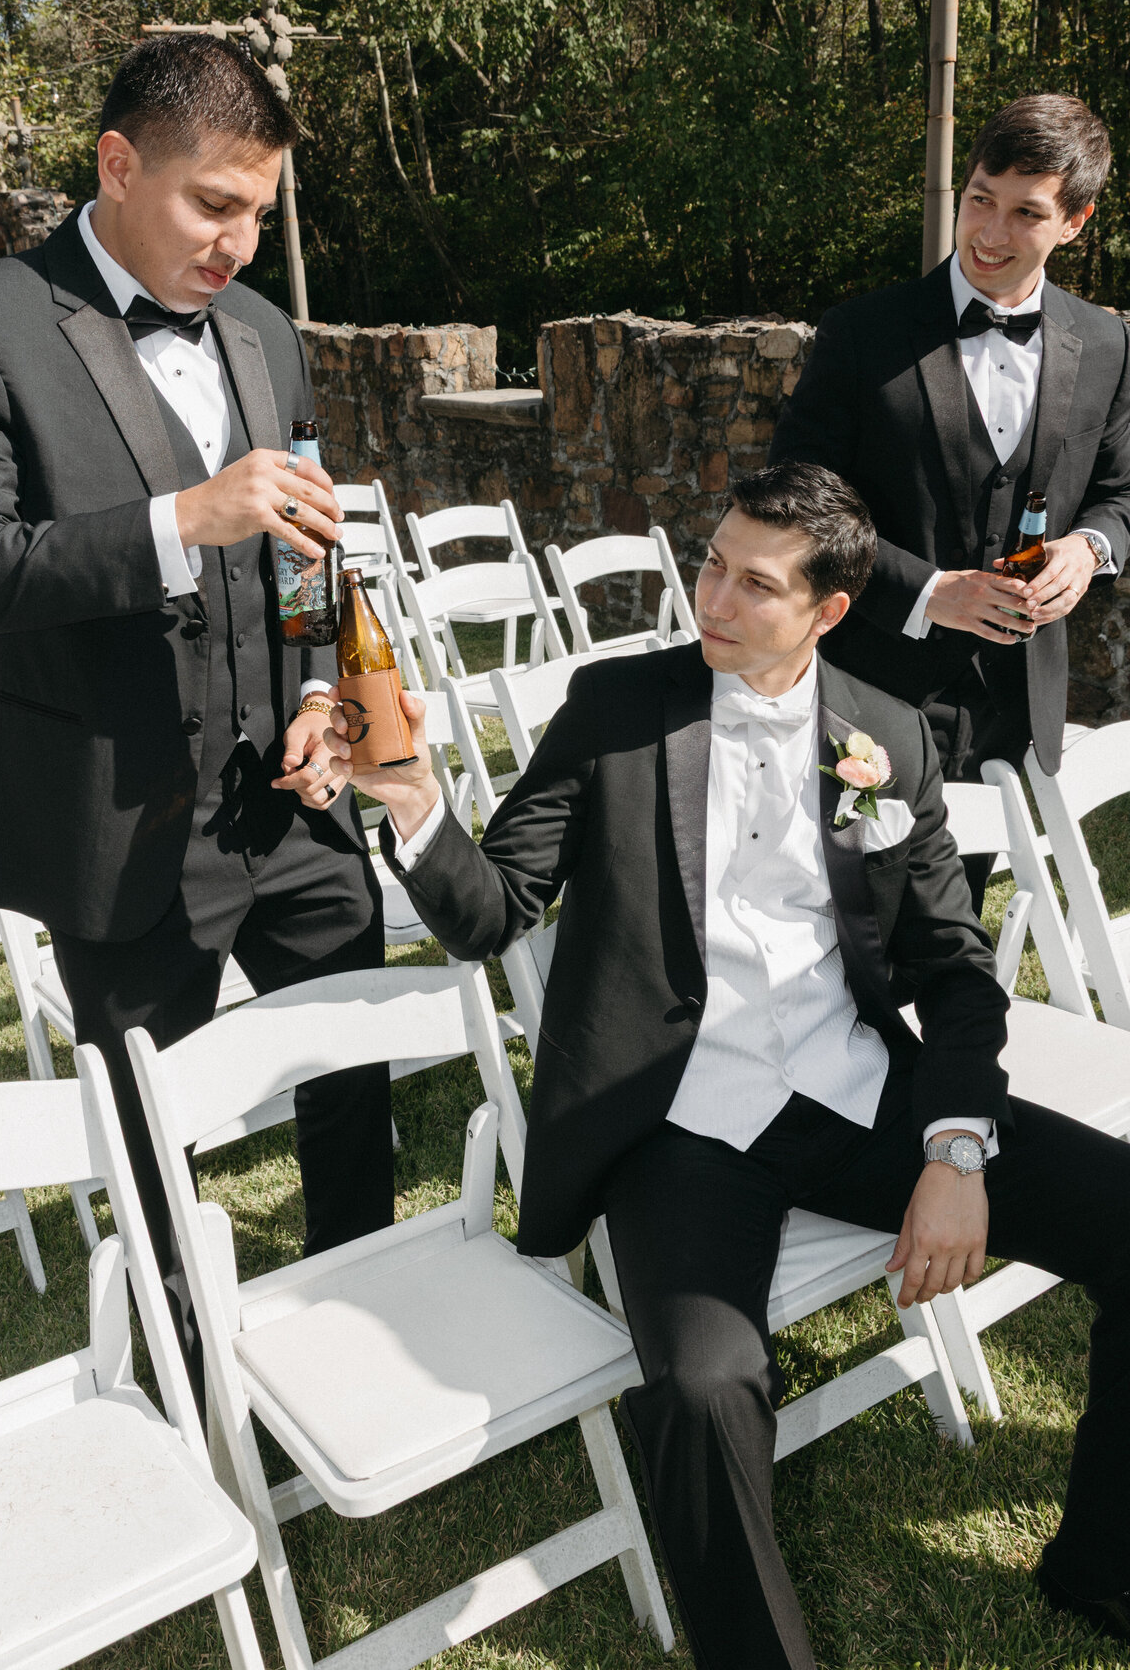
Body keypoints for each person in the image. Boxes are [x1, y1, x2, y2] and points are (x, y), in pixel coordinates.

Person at [310, 463, 1130, 1670]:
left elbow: (955, 969)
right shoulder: (616, 708)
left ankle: (1104, 1567)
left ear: (829, 611)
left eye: (756, 584)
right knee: (702, 1390)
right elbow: (492, 912)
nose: (714, 599)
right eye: (711, 564)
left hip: (855, 1088)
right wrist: (415, 801)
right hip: (674, 1123)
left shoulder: (887, 734)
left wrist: (956, 1151)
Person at [0, 35, 392, 1385]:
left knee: (354, 1063)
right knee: (152, 1128)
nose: (239, 244)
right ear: (119, 164)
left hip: (294, 804)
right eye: (213, 205)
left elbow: (304, 547)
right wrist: (178, 520)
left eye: (260, 211)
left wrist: (324, 692)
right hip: (121, 813)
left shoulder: (266, 332)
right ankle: (190, 1374)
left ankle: (360, 1317)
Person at [770, 94, 1130, 907]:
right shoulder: (861, 333)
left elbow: (1121, 493)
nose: (990, 233)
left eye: (1025, 213)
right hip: (868, 687)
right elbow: (796, 497)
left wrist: (1090, 550)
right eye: (979, 200)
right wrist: (930, 592)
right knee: (843, 922)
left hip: (1013, 704)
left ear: (1075, 223)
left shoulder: (1107, 344)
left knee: (954, 928)